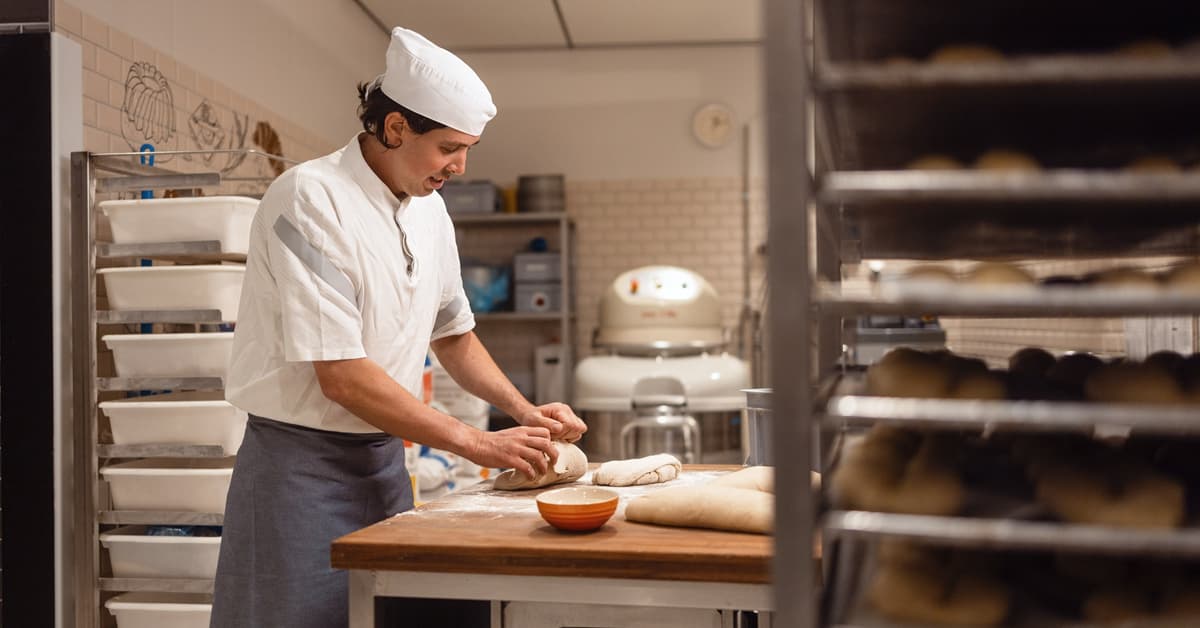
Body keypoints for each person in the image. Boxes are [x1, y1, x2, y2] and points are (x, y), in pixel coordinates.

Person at [210, 26, 587, 628]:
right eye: (448, 148)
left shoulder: (429, 210)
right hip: (298, 471)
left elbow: (453, 334)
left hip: (383, 462)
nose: (459, 166)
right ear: (394, 129)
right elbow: (343, 379)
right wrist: (480, 444)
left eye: (468, 149)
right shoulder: (310, 199)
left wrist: (524, 412)